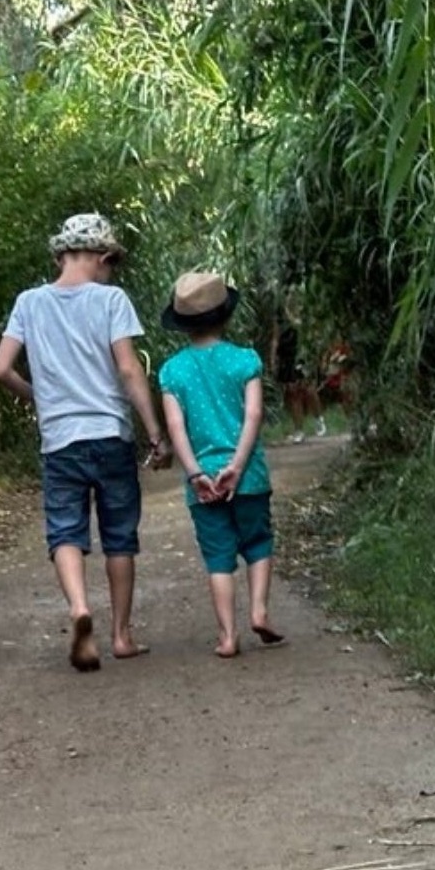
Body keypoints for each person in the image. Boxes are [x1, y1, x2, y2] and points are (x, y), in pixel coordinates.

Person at [0, 212, 172, 673]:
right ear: (104, 257)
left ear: (61, 254)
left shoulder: (29, 302)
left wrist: (40, 399)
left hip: (60, 441)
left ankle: (77, 608)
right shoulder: (110, 299)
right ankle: (122, 636)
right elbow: (129, 370)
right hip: (109, 434)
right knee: (119, 537)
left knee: (66, 530)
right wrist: (154, 431)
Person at [159, 272, 285, 658]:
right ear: (226, 316)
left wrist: (197, 472)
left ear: (182, 325)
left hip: (203, 484)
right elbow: (254, 415)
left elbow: (176, 427)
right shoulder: (245, 360)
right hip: (248, 475)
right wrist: (238, 465)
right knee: (258, 542)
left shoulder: (172, 371)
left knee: (218, 557)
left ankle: (228, 637)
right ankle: (260, 612)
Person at [271, 307, 326, 443]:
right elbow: (275, 337)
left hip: (301, 352)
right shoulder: (279, 311)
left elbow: (306, 327)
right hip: (286, 356)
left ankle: (318, 418)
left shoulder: (301, 306)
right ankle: (299, 430)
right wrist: (273, 358)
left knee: (308, 389)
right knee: (292, 392)